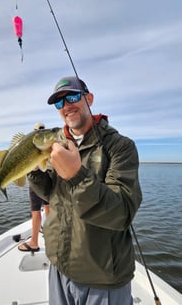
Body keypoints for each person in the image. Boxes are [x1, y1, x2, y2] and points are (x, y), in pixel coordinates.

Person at [27, 76, 142, 305]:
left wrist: (76, 175)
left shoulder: (120, 147)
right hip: (59, 266)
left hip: (102, 278)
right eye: (59, 103)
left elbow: (122, 213)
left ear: (89, 99)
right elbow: (50, 194)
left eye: (72, 97)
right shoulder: (57, 146)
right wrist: (32, 170)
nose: (66, 106)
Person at [18, 122, 50, 252]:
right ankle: (50, 234)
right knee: (48, 209)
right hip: (48, 182)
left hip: (36, 182)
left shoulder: (34, 146)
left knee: (36, 211)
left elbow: (34, 166)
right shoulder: (50, 145)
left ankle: (34, 242)